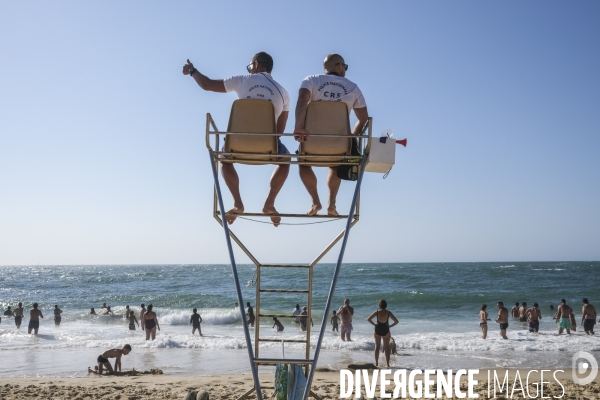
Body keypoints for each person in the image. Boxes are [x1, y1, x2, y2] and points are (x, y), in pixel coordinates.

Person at [182, 52, 291, 227]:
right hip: (268, 146)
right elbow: (280, 129)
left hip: (236, 145)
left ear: (255, 64)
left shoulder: (242, 80)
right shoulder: (283, 92)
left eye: (250, 66)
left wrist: (193, 71)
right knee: (286, 160)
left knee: (224, 159)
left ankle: (238, 203)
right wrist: (267, 144)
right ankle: (269, 203)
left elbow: (207, 85)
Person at [293, 54, 368, 217]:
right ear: (340, 66)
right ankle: (332, 204)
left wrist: (298, 126)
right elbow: (363, 118)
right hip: (339, 145)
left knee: (303, 162)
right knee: (335, 164)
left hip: (311, 142)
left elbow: (302, 101)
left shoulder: (311, 80)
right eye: (345, 67)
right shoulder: (353, 87)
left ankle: (315, 201)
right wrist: (352, 138)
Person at [367, 300, 399, 368]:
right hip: (385, 329)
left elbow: (368, 319)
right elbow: (396, 321)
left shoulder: (377, 312)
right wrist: (390, 326)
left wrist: (374, 324)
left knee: (377, 347)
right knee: (386, 347)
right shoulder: (388, 312)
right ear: (386, 305)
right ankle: (387, 364)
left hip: (377, 329)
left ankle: (376, 363)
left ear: (379, 305)